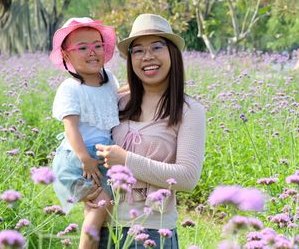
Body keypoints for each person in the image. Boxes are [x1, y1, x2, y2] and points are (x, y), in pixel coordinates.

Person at [95, 14, 206, 249]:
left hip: (152, 232)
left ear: (172, 54)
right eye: (138, 50)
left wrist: (126, 160)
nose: (148, 57)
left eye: (157, 47)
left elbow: (187, 178)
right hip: (103, 226)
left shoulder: (189, 110)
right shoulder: (116, 102)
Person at [50, 17, 119, 249]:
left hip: (98, 155)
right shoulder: (70, 88)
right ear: (66, 55)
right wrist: (85, 160)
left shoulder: (109, 79)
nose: (92, 52)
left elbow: (120, 96)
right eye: (82, 48)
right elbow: (70, 127)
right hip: (77, 158)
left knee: (99, 205)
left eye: (97, 45)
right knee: (101, 205)